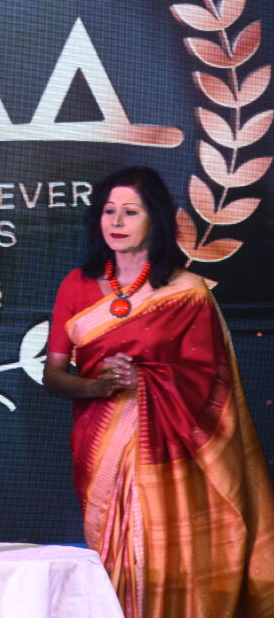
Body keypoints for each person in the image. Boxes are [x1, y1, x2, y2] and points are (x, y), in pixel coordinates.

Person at [43, 166, 274, 617]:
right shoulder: (76, 285)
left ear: (157, 219)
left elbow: (210, 383)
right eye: (109, 210)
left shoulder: (187, 293)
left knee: (165, 555)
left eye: (130, 212)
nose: (116, 221)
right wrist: (98, 384)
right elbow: (54, 375)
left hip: (170, 454)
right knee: (113, 557)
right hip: (99, 446)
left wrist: (147, 380)